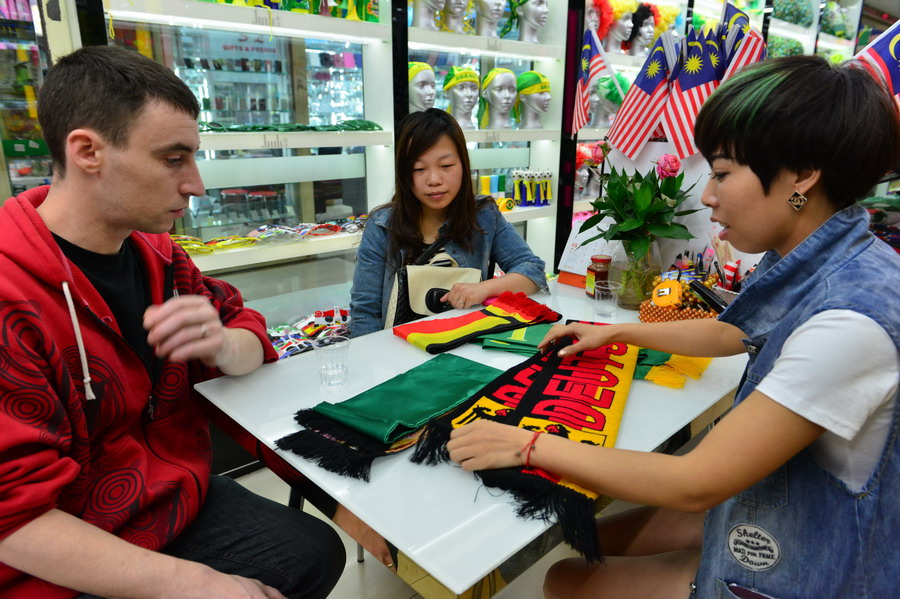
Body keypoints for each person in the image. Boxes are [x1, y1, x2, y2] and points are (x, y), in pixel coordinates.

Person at [445, 56, 900, 599]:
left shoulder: (849, 324)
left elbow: (695, 482)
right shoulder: (829, 254)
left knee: (565, 577)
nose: (707, 196)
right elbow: (733, 332)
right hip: (784, 510)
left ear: (802, 176)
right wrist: (616, 334)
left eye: (724, 173)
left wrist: (525, 445)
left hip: (813, 564)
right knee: (586, 537)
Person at [0, 46, 346, 599]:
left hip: (165, 496)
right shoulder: (10, 294)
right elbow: (13, 520)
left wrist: (228, 346)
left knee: (316, 551)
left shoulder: (159, 256)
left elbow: (243, 324)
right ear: (88, 151)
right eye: (173, 158)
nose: (197, 184)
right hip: (59, 546)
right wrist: (195, 583)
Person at [350, 108, 548, 337]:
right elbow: (365, 313)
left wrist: (483, 289)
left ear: (463, 164)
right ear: (404, 174)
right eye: (419, 169)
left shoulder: (483, 215)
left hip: (465, 348)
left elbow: (533, 271)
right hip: (397, 352)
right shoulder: (382, 226)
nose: (434, 180)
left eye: (446, 166)